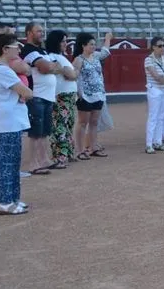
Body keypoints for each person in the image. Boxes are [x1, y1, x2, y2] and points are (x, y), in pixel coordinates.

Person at [0, 34, 33, 215]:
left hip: (9, 121)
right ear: (5, 49)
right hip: (8, 122)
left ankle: (12, 199)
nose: (19, 50)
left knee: (12, 163)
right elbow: (27, 92)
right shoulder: (1, 70)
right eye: (16, 46)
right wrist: (24, 93)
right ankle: (6, 202)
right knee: (8, 163)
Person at [20, 22, 61, 175]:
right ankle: (33, 163)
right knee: (36, 132)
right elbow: (47, 67)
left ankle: (44, 160)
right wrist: (51, 67)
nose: (41, 34)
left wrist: (51, 67)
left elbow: (55, 68)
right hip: (36, 95)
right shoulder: (29, 50)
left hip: (46, 96)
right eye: (38, 31)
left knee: (44, 131)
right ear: (29, 33)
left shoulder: (41, 51)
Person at [73, 31, 113, 160]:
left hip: (98, 94)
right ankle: (80, 150)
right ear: (83, 46)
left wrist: (107, 39)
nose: (93, 47)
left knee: (94, 122)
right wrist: (78, 93)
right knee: (82, 122)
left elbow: (106, 52)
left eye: (94, 44)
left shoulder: (95, 56)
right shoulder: (78, 60)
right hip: (85, 95)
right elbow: (75, 77)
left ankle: (93, 147)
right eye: (91, 44)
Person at [46, 30, 77, 169]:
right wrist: (70, 72)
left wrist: (69, 72)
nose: (66, 43)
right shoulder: (52, 57)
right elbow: (72, 74)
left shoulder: (60, 57)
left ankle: (67, 153)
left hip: (68, 94)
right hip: (61, 95)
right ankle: (61, 157)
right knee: (61, 125)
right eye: (63, 41)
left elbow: (72, 74)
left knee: (67, 124)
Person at [144, 36, 164, 154]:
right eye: (159, 46)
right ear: (153, 47)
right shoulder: (148, 59)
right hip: (155, 90)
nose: (162, 48)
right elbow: (158, 78)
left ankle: (158, 142)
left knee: (162, 116)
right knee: (153, 116)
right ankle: (148, 144)